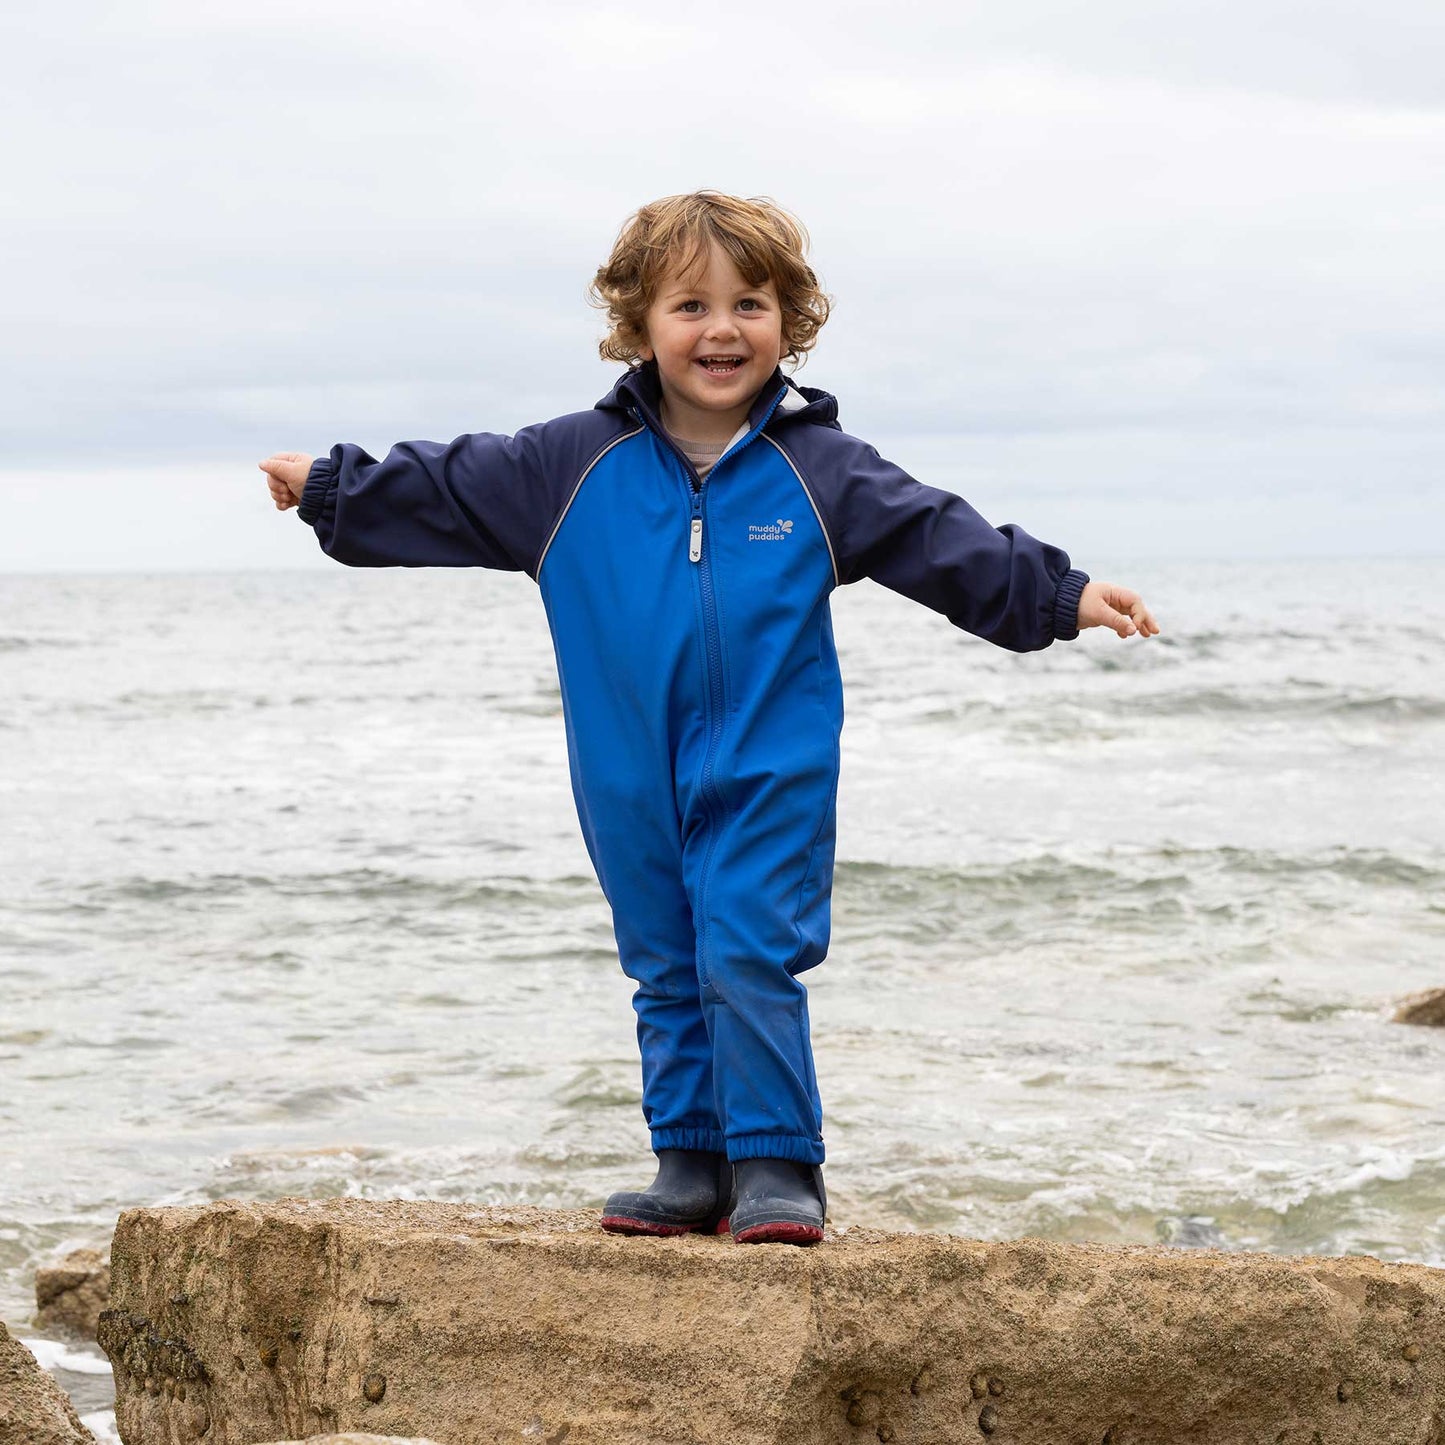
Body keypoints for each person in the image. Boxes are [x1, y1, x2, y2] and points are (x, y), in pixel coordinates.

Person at [260, 190, 1160, 1247]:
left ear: (791, 323)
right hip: (625, 765)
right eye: (689, 305)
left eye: (750, 304)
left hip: (768, 764)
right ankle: (688, 1155)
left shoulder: (822, 471)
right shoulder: (564, 466)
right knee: (664, 950)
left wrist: (1059, 595)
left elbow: (938, 537)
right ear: (638, 322)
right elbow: (450, 485)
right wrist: (333, 488)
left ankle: (777, 1160)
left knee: (745, 942)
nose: (721, 329)